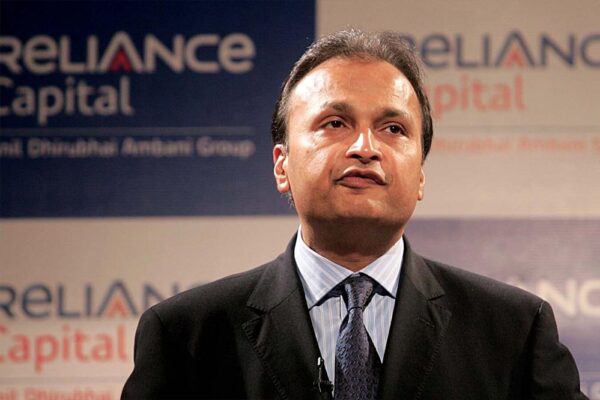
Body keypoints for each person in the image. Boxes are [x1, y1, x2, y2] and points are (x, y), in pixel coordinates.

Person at [121, 30, 587, 400]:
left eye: (393, 128)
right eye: (335, 123)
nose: (365, 147)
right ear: (282, 165)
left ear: (420, 175)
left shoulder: (515, 331)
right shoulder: (186, 335)